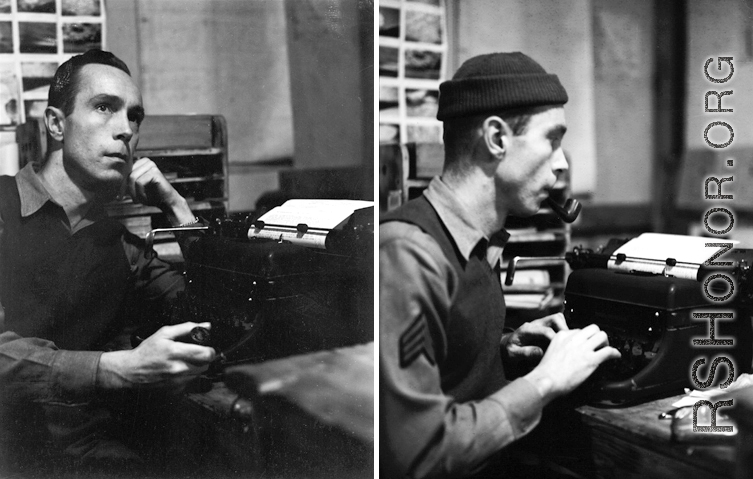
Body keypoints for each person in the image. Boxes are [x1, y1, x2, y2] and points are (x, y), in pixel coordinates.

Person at [380, 52, 622, 478]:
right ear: (496, 138)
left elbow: (445, 370)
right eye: (552, 139)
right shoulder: (408, 254)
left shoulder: (477, 242)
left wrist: (501, 350)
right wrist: (545, 381)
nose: (562, 162)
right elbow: (419, 453)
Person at [0, 50, 216, 475]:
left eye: (134, 117)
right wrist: (117, 369)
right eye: (104, 107)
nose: (125, 131)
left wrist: (176, 207)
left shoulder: (119, 245)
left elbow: (214, 304)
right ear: (56, 124)